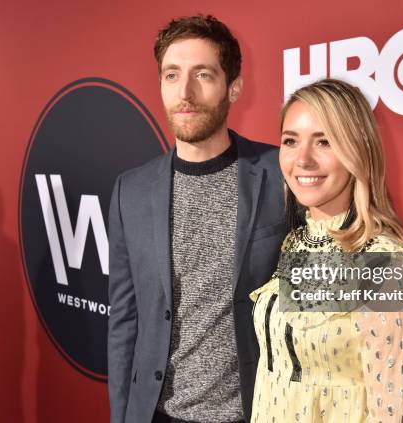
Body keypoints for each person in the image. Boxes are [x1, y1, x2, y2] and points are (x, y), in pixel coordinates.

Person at [108, 15, 287, 423]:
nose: (184, 93)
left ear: (234, 87)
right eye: (172, 76)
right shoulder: (129, 191)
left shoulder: (281, 173)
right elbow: (124, 319)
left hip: (254, 412)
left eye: (203, 75)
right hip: (157, 414)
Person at [249, 79, 403, 423]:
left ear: (357, 150)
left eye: (325, 141)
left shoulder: (385, 267)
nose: (302, 159)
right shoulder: (294, 242)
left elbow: (394, 414)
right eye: (290, 141)